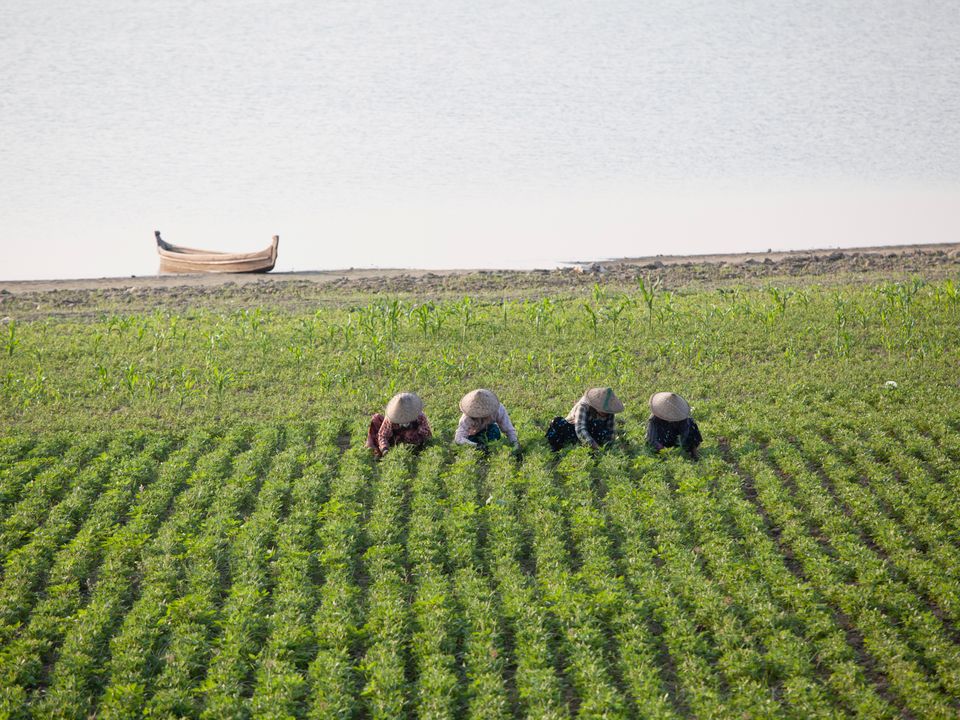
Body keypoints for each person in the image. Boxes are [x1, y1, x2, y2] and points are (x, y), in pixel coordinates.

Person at [546, 387, 624, 450]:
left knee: (600, 429)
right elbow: (580, 429)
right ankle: (574, 445)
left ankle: (588, 445)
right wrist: (595, 447)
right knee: (559, 425)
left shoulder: (609, 411)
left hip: (592, 430)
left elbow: (610, 432)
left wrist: (609, 447)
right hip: (573, 428)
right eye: (602, 410)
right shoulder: (583, 406)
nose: (605, 413)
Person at [366, 392, 432, 458]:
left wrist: (418, 433)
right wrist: (385, 449)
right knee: (376, 418)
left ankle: (413, 453)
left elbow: (427, 433)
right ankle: (377, 453)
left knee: (409, 434)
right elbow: (383, 435)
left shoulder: (419, 416)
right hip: (395, 440)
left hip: (413, 442)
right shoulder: (391, 418)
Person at [454, 388, 520, 451]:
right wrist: (476, 445)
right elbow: (459, 438)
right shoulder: (467, 417)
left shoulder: (498, 410)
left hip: (489, 431)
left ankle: (491, 448)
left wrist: (515, 444)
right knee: (468, 443)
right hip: (472, 436)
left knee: (494, 430)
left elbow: (509, 430)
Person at [646, 391, 702, 460]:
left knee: (692, 424)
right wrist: (663, 450)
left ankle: (693, 453)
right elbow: (651, 439)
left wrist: (681, 448)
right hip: (663, 441)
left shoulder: (683, 418)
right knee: (654, 446)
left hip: (677, 440)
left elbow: (685, 435)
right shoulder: (654, 419)